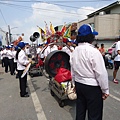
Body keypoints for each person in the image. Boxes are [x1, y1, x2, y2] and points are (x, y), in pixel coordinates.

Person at [70, 24, 109, 120]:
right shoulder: (94, 52)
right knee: (94, 115)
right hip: (92, 87)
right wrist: (105, 90)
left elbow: (73, 70)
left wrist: (74, 84)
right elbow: (101, 73)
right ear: (91, 37)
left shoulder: (74, 51)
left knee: (80, 110)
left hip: (79, 84)